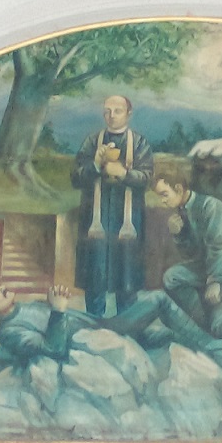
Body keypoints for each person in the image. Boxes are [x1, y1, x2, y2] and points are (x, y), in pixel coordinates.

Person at [0, 285, 222, 365]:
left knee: (166, 335)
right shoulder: (10, 332)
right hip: (99, 338)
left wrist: (58, 304)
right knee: (157, 299)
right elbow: (53, 349)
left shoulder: (27, 305)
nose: (0, 288)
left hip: (101, 326)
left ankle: (215, 350)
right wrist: (58, 309)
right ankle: (213, 346)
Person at [71, 95, 154, 317]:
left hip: (127, 219)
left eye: (117, 111)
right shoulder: (92, 142)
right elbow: (76, 178)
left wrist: (124, 174)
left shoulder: (139, 143)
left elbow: (146, 179)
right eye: (107, 111)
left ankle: (126, 325)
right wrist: (95, 165)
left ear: (129, 113)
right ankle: (93, 323)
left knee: (126, 276)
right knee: (95, 276)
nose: (111, 116)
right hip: (95, 220)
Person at [153, 169, 222, 338]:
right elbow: (191, 254)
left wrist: (214, 281)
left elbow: (219, 246)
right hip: (208, 269)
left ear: (178, 189)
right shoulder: (183, 211)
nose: (163, 201)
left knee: (218, 326)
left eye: (164, 194)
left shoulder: (209, 207)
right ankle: (199, 321)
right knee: (171, 278)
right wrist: (178, 235)